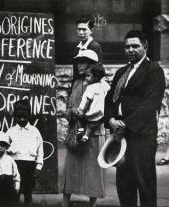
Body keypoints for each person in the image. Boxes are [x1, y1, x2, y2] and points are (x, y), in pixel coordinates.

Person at [104, 30, 165, 207]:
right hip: (120, 136)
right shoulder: (121, 72)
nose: (130, 50)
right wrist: (111, 121)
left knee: (144, 183)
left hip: (142, 136)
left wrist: (126, 124)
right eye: (127, 47)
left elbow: (150, 104)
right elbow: (109, 100)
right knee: (124, 184)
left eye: (134, 46)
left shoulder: (154, 71)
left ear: (145, 47)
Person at [62, 49, 106, 207]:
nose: (80, 65)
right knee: (71, 169)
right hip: (76, 131)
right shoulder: (75, 83)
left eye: (84, 62)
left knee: (92, 170)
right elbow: (69, 107)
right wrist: (72, 112)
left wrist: (84, 116)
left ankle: (92, 204)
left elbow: (102, 110)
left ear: (92, 65)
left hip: (93, 132)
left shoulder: (102, 86)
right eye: (78, 62)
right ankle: (65, 203)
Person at [6, 99, 44, 205]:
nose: (22, 119)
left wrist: (38, 167)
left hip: (29, 165)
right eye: (19, 117)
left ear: (29, 115)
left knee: (28, 190)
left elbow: (40, 150)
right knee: (14, 191)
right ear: (14, 116)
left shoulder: (35, 132)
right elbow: (4, 149)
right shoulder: (10, 131)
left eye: (25, 117)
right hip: (14, 164)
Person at [76, 63, 110, 141]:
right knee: (91, 125)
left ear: (96, 77)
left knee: (79, 117)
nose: (86, 78)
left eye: (88, 76)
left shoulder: (91, 87)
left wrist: (83, 111)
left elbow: (88, 100)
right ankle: (86, 136)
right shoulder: (103, 85)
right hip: (100, 111)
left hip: (91, 110)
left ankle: (81, 130)